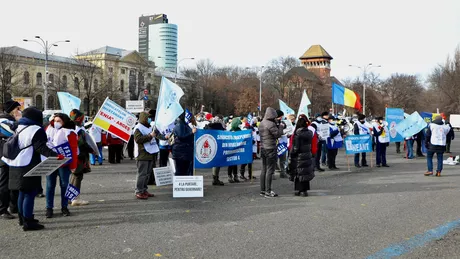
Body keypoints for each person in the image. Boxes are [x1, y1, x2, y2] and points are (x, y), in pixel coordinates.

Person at [2, 107, 62, 230]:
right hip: (28, 164)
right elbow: (40, 147)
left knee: (22, 193)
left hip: (14, 164)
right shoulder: (36, 129)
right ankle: (28, 222)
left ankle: (22, 219)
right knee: (30, 193)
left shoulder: (19, 127)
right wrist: (56, 156)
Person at [45, 113, 78, 218]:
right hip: (50, 162)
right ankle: (49, 208)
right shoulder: (48, 129)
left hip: (64, 163)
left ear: (64, 122)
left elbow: (73, 150)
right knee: (50, 186)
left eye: (59, 121)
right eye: (55, 121)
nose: (56, 123)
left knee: (64, 185)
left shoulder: (69, 132)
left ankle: (64, 207)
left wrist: (73, 165)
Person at [0, 100, 21, 220]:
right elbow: (11, 132)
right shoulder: (3, 120)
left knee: (14, 181)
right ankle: (2, 209)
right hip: (4, 155)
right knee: (4, 183)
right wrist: (19, 121)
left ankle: (14, 206)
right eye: (17, 109)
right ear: (12, 109)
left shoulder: (10, 120)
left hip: (12, 155)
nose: (19, 111)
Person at [69, 109, 93, 206]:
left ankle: (70, 197)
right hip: (79, 155)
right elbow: (82, 143)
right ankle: (75, 198)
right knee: (78, 176)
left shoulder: (70, 127)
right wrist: (92, 150)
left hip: (73, 154)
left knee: (73, 176)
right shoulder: (79, 130)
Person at [259, 108, 284, 198]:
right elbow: (278, 134)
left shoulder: (262, 123)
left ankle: (262, 190)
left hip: (263, 147)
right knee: (270, 170)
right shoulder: (271, 124)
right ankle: (268, 191)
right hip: (270, 148)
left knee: (264, 169)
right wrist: (280, 126)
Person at [133, 111, 158, 199]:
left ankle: (144, 189)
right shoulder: (138, 128)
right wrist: (150, 136)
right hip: (142, 154)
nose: (150, 119)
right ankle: (139, 191)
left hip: (149, 153)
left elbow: (155, 136)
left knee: (147, 174)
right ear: (144, 118)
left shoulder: (149, 127)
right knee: (142, 174)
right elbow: (138, 139)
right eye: (148, 117)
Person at [289, 117, 315, 197]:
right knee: (305, 172)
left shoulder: (298, 134)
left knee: (299, 173)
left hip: (299, 155)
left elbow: (296, 147)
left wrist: (292, 153)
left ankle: (299, 190)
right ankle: (305, 190)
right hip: (307, 154)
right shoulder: (309, 133)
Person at [205, 115, 226, 186]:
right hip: (218, 146)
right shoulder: (219, 127)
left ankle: (215, 178)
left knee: (215, 163)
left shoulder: (208, 127)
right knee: (217, 163)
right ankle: (215, 178)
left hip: (211, 146)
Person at [227, 118, 242, 183]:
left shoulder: (240, 130)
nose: (240, 125)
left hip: (237, 149)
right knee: (230, 163)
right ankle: (230, 176)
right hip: (231, 149)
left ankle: (235, 175)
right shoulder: (230, 131)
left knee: (235, 163)